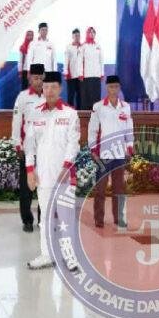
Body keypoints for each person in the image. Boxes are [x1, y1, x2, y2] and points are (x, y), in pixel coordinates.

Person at [24, 71, 80, 269]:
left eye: (53, 87)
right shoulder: (34, 113)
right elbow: (29, 145)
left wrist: (66, 167)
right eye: (46, 87)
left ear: (60, 89)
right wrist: (30, 170)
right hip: (43, 176)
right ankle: (46, 255)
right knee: (45, 218)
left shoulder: (70, 113)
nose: (49, 91)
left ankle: (70, 257)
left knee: (66, 219)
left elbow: (73, 144)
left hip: (65, 175)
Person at [88, 75, 134, 228]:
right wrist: (93, 149)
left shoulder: (126, 107)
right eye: (111, 86)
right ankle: (98, 218)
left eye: (116, 86)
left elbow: (129, 129)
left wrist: (130, 146)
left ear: (119, 88)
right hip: (103, 154)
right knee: (100, 189)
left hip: (119, 154)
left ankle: (119, 218)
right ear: (106, 88)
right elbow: (92, 130)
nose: (114, 89)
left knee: (119, 189)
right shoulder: (98, 107)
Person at [11, 63, 46, 232]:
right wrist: (17, 144)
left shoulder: (49, 96)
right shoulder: (23, 97)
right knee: (26, 187)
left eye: (40, 78)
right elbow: (16, 121)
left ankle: (43, 219)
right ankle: (27, 220)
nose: (38, 81)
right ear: (30, 78)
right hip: (28, 148)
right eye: (35, 78)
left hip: (46, 149)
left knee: (44, 186)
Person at [80, 27, 104, 110]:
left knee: (96, 96)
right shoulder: (83, 46)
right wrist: (80, 74)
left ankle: (96, 114)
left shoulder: (98, 46)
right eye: (90, 32)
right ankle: (86, 115)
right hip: (87, 75)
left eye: (94, 32)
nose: (92, 34)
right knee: (87, 97)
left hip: (96, 75)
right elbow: (80, 61)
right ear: (87, 33)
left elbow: (101, 60)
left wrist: (102, 73)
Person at [64, 28, 84, 108]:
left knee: (80, 95)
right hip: (71, 75)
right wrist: (66, 72)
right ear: (72, 36)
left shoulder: (83, 47)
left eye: (78, 36)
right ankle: (70, 112)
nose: (77, 37)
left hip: (80, 76)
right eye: (75, 36)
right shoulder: (69, 47)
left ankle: (80, 112)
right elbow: (66, 60)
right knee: (71, 95)